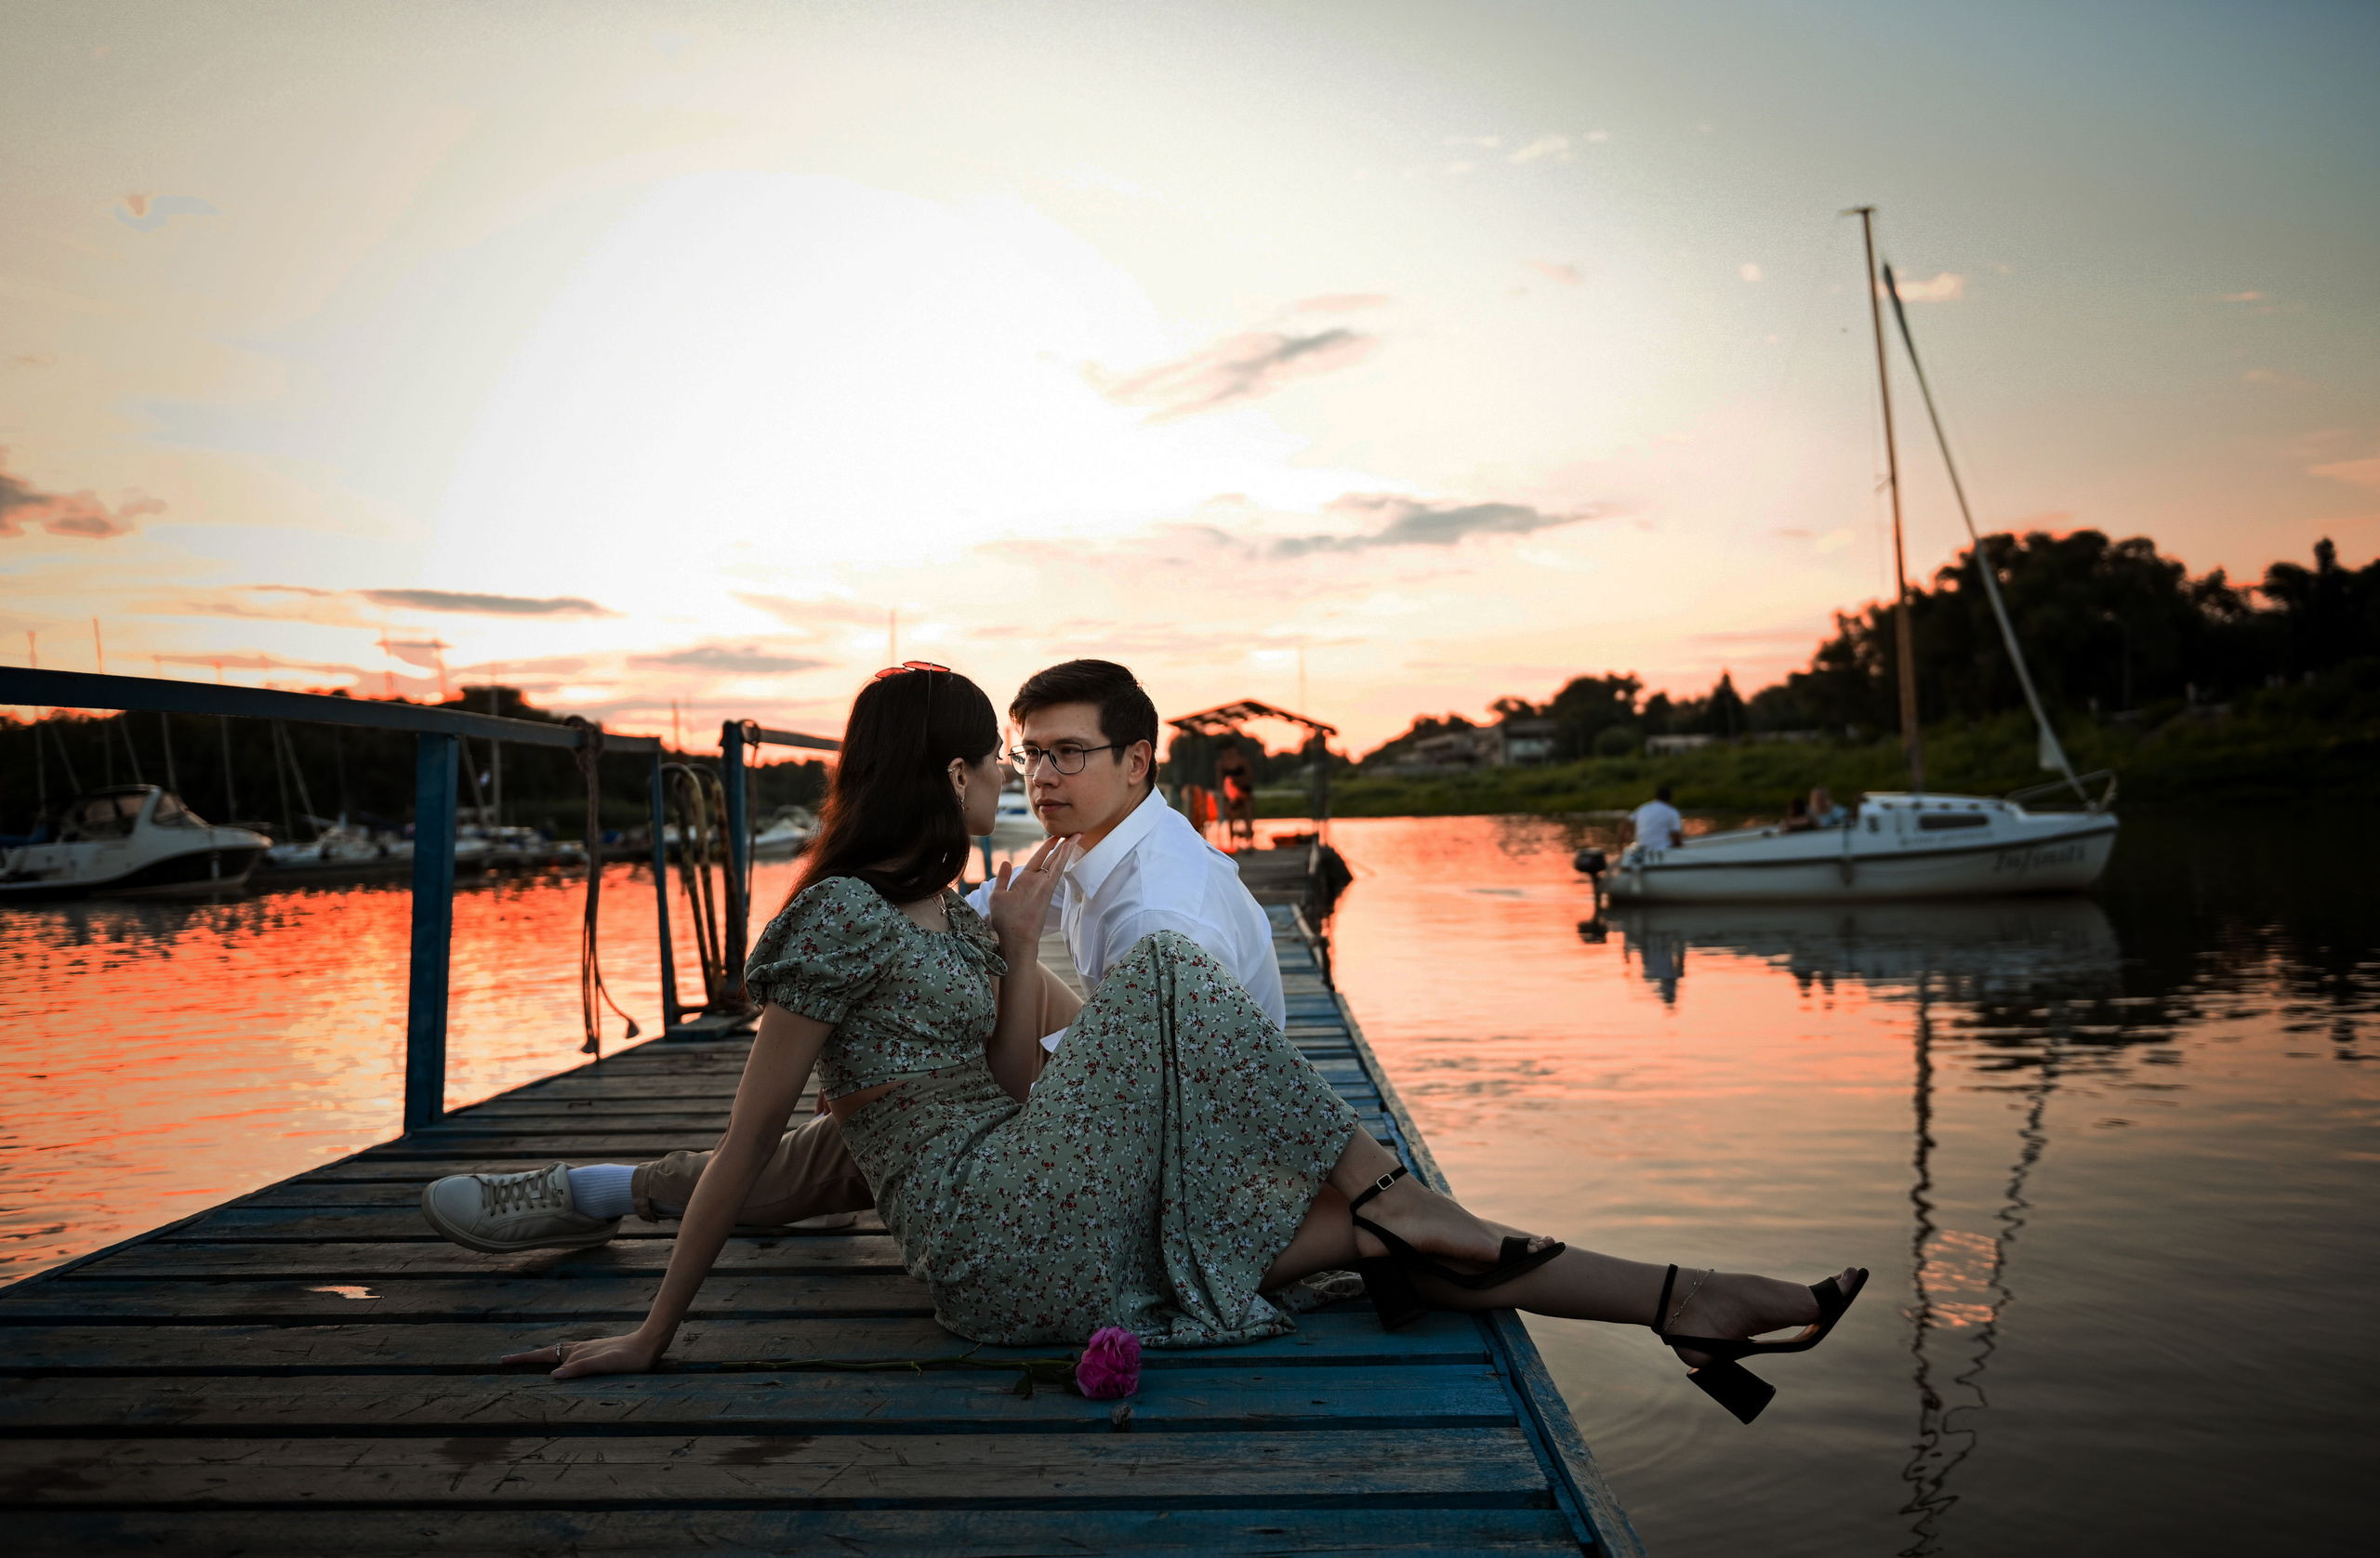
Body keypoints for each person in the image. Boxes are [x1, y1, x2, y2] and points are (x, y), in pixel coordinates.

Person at [504, 664, 1867, 1424]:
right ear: (951, 774)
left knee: (1399, 1245)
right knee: (1169, 981)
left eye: (1042, 759)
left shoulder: (980, 913)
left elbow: (1031, 1086)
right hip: (991, 1246)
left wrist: (1019, 951)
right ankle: (1403, 1189)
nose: (1019, 782)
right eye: (1002, 761)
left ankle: (1685, 1299)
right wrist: (654, 1332)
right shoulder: (845, 924)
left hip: (1054, 1203)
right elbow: (755, 1143)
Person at [417, 659, 1284, 1257]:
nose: (1037, 777)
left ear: (1137, 762)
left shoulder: (1161, 913)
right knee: (966, 995)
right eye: (1027, 754)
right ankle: (780, 1163)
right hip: (1137, 1110)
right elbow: (956, 923)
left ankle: (605, 1190)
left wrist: (893, 1088)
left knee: (881, 1120)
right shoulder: (1101, 852)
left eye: (1068, 755)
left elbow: (1149, 1097)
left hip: (1159, 1156)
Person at [1631, 783, 1684, 852]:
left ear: (1656, 797)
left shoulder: (1642, 808)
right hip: (1662, 851)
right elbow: (1677, 838)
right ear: (1670, 798)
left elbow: (1624, 825)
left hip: (1642, 849)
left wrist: (1620, 847)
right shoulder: (1672, 812)